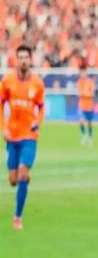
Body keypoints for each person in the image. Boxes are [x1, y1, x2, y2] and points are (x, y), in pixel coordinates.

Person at [0, 45, 45, 230]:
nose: (24, 60)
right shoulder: (7, 81)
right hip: (12, 135)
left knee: (22, 172)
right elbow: (1, 103)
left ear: (31, 60)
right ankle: (23, 176)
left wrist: (37, 122)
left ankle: (17, 217)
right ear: (17, 60)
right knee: (13, 180)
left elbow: (41, 107)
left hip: (29, 135)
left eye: (26, 57)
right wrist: (3, 128)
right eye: (21, 57)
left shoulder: (37, 83)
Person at [77, 65, 96, 146]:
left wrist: (86, 93)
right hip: (81, 105)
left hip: (89, 105)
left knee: (90, 122)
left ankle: (90, 137)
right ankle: (84, 135)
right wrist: (86, 93)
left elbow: (92, 93)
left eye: (83, 72)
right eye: (81, 73)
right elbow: (80, 93)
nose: (82, 74)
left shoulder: (90, 81)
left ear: (86, 72)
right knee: (81, 120)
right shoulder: (79, 82)